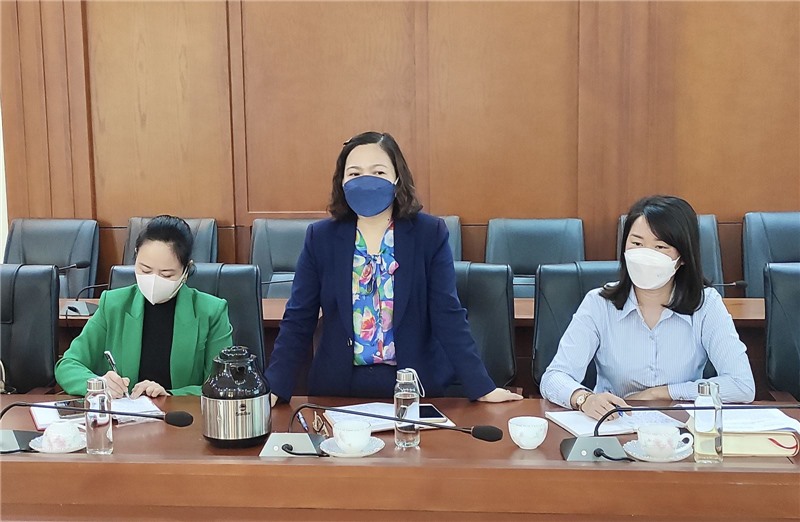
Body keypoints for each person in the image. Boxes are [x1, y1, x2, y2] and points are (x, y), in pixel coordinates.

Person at [265, 131, 521, 404]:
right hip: (337, 389)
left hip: (413, 388)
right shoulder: (321, 238)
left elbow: (447, 314)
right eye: (355, 173)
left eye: (378, 172)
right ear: (342, 181)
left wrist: (481, 387)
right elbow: (299, 318)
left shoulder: (429, 234)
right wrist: (274, 387)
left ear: (397, 178)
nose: (366, 181)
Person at [540, 195, 755, 420]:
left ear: (683, 257)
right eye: (636, 243)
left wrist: (661, 393)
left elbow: (742, 385)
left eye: (660, 246)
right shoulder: (599, 303)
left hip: (682, 429)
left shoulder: (706, 304)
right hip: (613, 425)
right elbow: (553, 377)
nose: (645, 255)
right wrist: (584, 398)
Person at [55, 215, 233, 398]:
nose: (154, 280)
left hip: (182, 415)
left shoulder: (211, 312)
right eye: (145, 270)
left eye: (166, 274)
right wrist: (99, 384)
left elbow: (223, 383)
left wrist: (170, 395)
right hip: (125, 414)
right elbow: (68, 365)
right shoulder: (114, 304)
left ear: (186, 270)